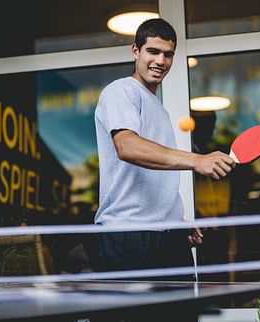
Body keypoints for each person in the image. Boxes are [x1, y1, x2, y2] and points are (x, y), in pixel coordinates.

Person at [93, 18, 235, 277]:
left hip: (167, 238)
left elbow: (154, 174)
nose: (160, 61)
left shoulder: (159, 107)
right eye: (153, 51)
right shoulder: (122, 91)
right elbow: (127, 147)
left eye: (168, 54)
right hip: (129, 239)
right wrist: (197, 160)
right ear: (135, 51)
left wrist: (173, 219)